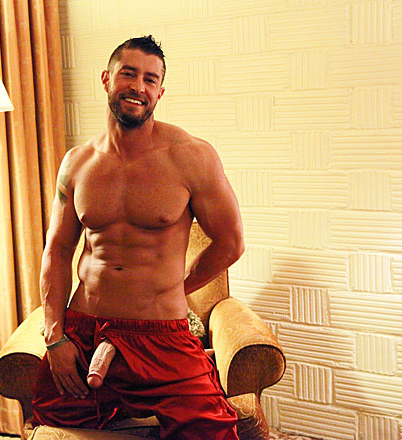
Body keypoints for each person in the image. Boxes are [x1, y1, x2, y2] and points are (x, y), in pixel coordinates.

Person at [31, 35, 245, 440]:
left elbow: (231, 243)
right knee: (50, 419)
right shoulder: (77, 162)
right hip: (85, 328)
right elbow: (57, 251)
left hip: (160, 335)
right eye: (128, 74)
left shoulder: (191, 156)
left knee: (212, 432)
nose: (138, 87)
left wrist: (179, 289)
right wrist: (55, 336)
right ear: (106, 79)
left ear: (160, 92)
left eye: (150, 79)